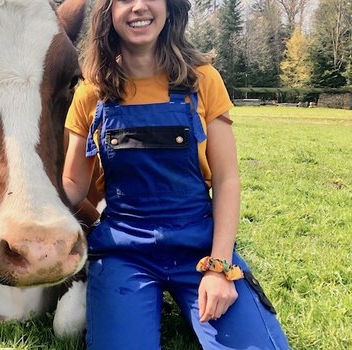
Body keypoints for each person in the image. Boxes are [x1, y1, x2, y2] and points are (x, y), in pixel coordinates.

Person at [62, 0, 290, 349]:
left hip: (199, 246)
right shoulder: (91, 93)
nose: (138, 7)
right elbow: (74, 185)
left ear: (170, 7)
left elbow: (227, 179)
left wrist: (219, 267)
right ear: (107, 11)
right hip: (124, 251)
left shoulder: (203, 80)